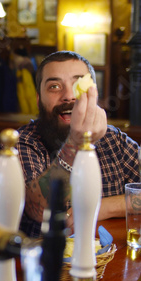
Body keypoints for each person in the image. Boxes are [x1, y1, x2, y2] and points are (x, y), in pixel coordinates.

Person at [14, 50, 140, 238]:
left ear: (93, 95)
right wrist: (75, 144)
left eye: (78, 85)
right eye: (54, 86)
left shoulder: (114, 139)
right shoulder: (23, 142)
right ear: (39, 100)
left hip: (117, 261)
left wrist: (100, 207)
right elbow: (39, 209)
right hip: (48, 263)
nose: (69, 96)